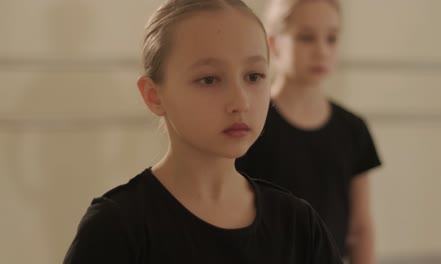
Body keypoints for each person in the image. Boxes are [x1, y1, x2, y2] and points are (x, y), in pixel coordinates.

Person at [64, 0, 343, 263]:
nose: (241, 102)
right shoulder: (116, 228)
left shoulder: (299, 225)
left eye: (254, 76)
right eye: (209, 79)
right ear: (154, 96)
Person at [236, 0, 382, 263]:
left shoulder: (352, 129)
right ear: (274, 43)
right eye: (306, 38)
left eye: (332, 38)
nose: (321, 51)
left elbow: (360, 228)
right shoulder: (249, 124)